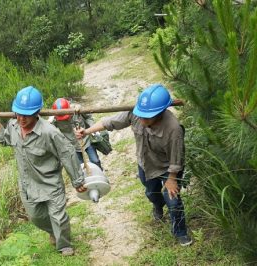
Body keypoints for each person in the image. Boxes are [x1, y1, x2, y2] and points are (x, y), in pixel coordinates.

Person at [75, 84, 192, 246]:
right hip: (145, 164)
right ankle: (158, 206)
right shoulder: (136, 113)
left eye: (147, 116)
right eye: (141, 115)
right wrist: (86, 131)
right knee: (151, 193)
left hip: (168, 168)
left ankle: (181, 232)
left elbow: (176, 157)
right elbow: (110, 123)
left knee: (173, 199)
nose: (142, 119)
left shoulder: (173, 129)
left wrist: (172, 178)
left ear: (160, 113)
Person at [0, 86, 87, 256]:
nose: (21, 118)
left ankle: (64, 245)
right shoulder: (13, 125)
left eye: (26, 114)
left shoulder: (49, 132)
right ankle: (53, 231)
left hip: (50, 182)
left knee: (58, 217)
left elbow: (67, 154)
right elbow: (3, 140)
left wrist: (77, 181)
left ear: (37, 112)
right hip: (28, 183)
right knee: (36, 217)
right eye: (18, 113)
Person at [50, 98, 103, 170]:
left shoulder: (77, 110)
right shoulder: (55, 119)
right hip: (73, 145)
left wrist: (92, 128)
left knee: (95, 161)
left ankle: (100, 174)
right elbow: (50, 130)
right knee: (80, 167)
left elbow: (88, 118)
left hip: (86, 139)